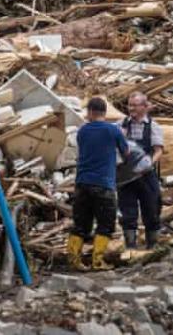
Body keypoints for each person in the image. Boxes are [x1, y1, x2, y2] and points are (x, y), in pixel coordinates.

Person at [67, 97, 129, 271]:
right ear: (104, 112)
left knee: (80, 224)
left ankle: (74, 260)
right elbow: (126, 152)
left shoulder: (82, 131)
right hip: (103, 185)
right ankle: (97, 261)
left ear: (91, 112)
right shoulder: (114, 131)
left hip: (82, 184)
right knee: (105, 224)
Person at [118, 92, 164, 250]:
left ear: (145, 107)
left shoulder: (153, 126)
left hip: (146, 175)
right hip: (125, 176)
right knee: (127, 210)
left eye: (135, 105)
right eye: (129, 105)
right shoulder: (121, 124)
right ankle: (130, 246)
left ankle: (153, 245)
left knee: (151, 208)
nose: (131, 109)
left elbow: (158, 151)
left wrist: (148, 164)